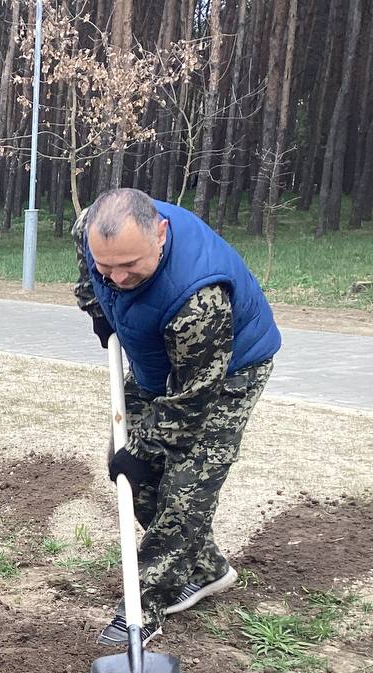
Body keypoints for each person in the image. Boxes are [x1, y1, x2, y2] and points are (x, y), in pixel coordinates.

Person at [73, 187, 281, 646]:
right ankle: (207, 569)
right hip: (158, 363)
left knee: (184, 487)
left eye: (131, 265)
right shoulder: (91, 231)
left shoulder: (200, 297)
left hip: (225, 373)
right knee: (129, 474)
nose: (119, 277)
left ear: (161, 234)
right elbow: (92, 277)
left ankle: (143, 608)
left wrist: (146, 451)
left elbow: (192, 400)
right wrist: (98, 307)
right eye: (108, 266)